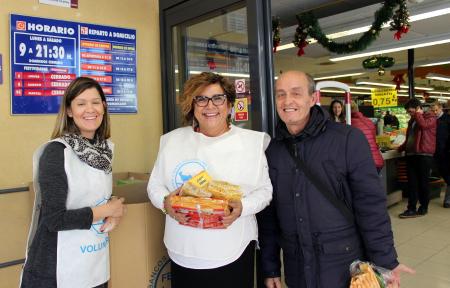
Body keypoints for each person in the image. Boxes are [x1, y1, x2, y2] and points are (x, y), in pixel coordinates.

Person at [257, 71, 413, 288]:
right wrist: (271, 267)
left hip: (344, 265)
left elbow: (371, 206)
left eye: (296, 93)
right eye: (280, 94)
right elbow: (269, 217)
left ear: (312, 99)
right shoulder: (273, 150)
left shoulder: (347, 140)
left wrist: (386, 261)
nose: (287, 101)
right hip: (297, 268)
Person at [147, 72, 272, 288]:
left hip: (232, 249)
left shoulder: (251, 143)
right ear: (192, 106)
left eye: (218, 98)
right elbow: (154, 185)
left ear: (230, 105)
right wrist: (165, 203)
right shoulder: (173, 141)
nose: (209, 106)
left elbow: (265, 191)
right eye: (201, 99)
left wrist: (242, 207)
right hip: (183, 250)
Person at [20, 77, 126, 288]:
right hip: (54, 270)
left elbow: (93, 194)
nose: (90, 109)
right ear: (69, 111)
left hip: (92, 262)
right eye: (81, 103)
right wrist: (107, 209)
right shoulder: (57, 152)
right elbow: (54, 219)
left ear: (104, 107)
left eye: (96, 102)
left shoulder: (104, 151)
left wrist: (114, 206)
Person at [398, 98, 437, 218]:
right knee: (412, 183)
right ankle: (411, 208)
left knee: (423, 183)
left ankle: (424, 207)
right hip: (412, 154)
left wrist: (418, 114)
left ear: (418, 108)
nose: (410, 114)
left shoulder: (430, 117)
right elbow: (410, 137)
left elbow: (424, 126)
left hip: (424, 154)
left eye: (411, 111)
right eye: (409, 112)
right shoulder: (412, 120)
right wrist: (401, 147)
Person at [350, 101, 384, 173]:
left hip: (363, 163)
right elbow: (374, 140)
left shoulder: (348, 124)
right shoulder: (369, 121)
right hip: (377, 160)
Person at [430, 101, 450, 208]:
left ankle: (448, 199)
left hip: (446, 151)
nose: (434, 112)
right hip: (436, 152)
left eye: (436, 110)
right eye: (432, 110)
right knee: (443, 173)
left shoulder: (447, 119)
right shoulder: (431, 120)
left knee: (448, 174)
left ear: (441, 108)